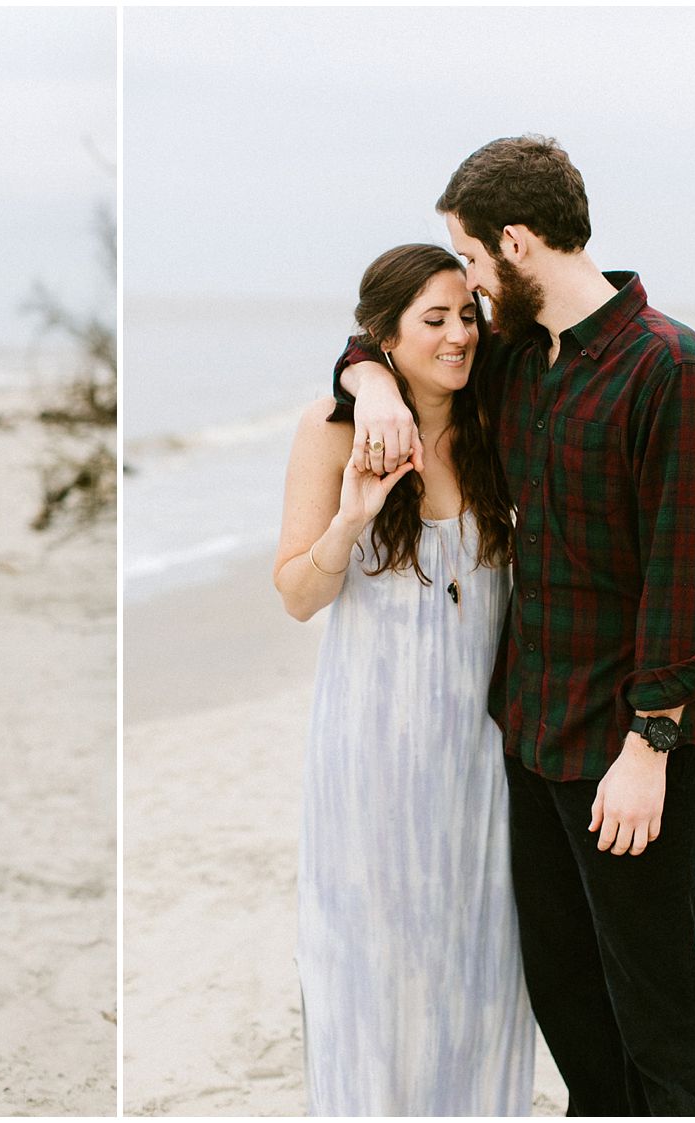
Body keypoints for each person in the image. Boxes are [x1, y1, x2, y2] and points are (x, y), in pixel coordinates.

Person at [334, 135, 695, 1116]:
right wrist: (372, 382)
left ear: (515, 243)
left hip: (629, 742)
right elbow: (374, 342)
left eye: (470, 260)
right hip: (532, 732)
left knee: (655, 995)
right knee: (565, 991)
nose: (468, 290)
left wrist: (652, 743)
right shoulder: (520, 361)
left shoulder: (668, 367)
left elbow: (686, 577)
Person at [273, 243, 535, 1115]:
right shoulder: (332, 429)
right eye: (435, 319)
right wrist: (350, 518)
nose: (460, 334)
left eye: (468, 315)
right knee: (369, 968)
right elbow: (297, 596)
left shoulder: (496, 416)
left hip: (485, 750)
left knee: (478, 964)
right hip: (370, 749)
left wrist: (376, 377)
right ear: (384, 336)